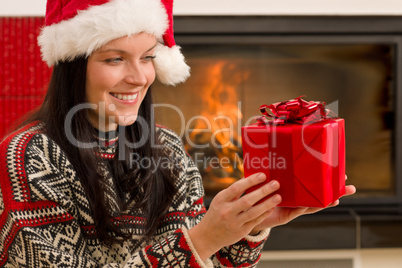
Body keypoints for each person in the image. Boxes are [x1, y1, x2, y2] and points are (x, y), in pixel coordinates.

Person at [0, 0, 356, 267]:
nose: (139, 77)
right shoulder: (28, 157)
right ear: (74, 65)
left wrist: (248, 224)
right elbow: (194, 250)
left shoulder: (166, 148)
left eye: (148, 57)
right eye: (114, 59)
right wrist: (201, 239)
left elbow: (210, 264)